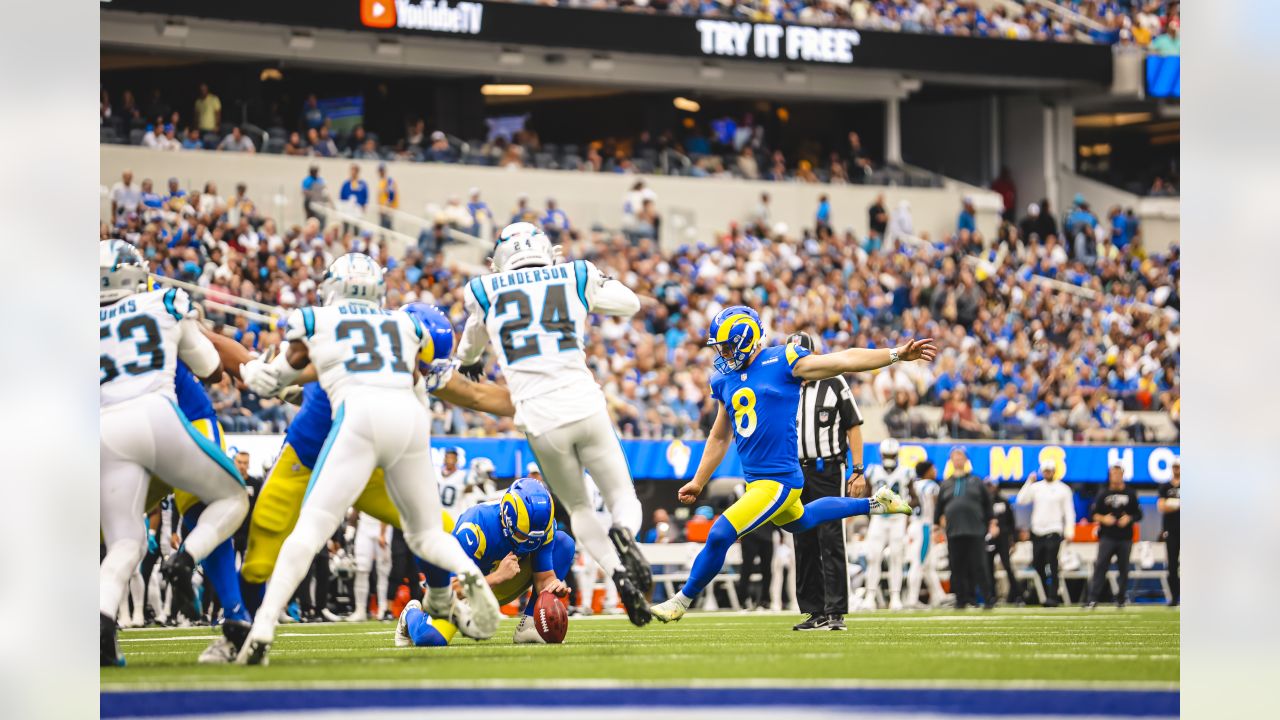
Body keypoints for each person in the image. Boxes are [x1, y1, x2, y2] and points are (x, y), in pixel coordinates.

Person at [234, 257, 504, 664]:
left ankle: (263, 626)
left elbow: (276, 377)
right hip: (403, 424)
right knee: (428, 534)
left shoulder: (317, 319)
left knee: (310, 531)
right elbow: (428, 375)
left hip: (356, 425)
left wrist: (258, 372)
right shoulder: (405, 326)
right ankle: (465, 575)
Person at [649, 306, 932, 623]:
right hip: (758, 480)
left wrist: (894, 355)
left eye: (728, 346)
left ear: (748, 339)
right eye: (720, 347)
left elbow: (842, 360)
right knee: (804, 519)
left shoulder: (782, 360)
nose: (724, 353)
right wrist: (698, 481)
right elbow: (718, 436)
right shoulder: (723, 378)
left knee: (719, 535)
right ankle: (876, 503)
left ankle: (681, 600)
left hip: (780, 479)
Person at [455, 222, 655, 627]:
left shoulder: (485, 289)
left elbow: (470, 349)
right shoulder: (574, 272)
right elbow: (630, 304)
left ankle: (617, 573)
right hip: (584, 403)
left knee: (579, 508)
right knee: (621, 498)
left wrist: (471, 360)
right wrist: (596, 283)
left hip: (540, 420)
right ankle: (626, 534)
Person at [99, 240, 249, 666]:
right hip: (165, 419)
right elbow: (213, 363)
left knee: (124, 540)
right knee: (224, 501)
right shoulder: (163, 302)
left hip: (112, 430)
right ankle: (194, 571)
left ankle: (101, 623)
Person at [398, 479, 576, 647]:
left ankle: (531, 625)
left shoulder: (541, 527)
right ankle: (411, 614)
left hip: (503, 584)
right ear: (507, 518)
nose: (529, 544)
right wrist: (497, 576)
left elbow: (544, 577)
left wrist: (552, 586)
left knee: (564, 543)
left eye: (536, 538)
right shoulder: (475, 528)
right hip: (467, 594)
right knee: (430, 638)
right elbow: (448, 590)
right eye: (523, 535)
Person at [789, 331, 864, 631]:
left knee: (830, 537)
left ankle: (835, 610)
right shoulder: (785, 386)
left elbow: (853, 426)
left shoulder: (834, 381)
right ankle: (813, 609)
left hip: (827, 468)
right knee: (802, 539)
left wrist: (858, 469)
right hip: (795, 471)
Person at [935, 447, 997, 609]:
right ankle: (961, 599)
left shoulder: (976, 481)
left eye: (960, 456)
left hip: (975, 530)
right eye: (954, 457)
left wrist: (992, 523)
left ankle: (987, 598)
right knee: (956, 567)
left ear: (966, 460)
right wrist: (937, 526)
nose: (957, 460)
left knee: (980, 566)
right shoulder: (946, 483)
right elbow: (939, 509)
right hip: (954, 531)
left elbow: (987, 504)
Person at [1016, 460, 1075, 607]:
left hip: (1053, 531)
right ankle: (1041, 594)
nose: (1047, 473)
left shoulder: (1063, 489)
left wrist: (1069, 530)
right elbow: (1021, 500)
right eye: (1045, 471)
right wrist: (1029, 482)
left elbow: (1069, 511)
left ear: (1054, 471)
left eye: (1050, 470)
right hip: (1037, 532)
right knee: (1038, 564)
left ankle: (1053, 596)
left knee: (1052, 565)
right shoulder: (1036, 487)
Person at [863, 439, 913, 610]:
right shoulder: (873, 471)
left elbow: (913, 497)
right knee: (873, 557)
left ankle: (895, 597)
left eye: (891, 455)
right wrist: (870, 516)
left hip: (898, 519)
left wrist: (907, 515)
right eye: (887, 455)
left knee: (896, 557)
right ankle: (870, 596)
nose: (889, 458)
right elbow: (865, 494)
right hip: (878, 518)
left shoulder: (906, 472)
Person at [1086, 464, 1143, 608]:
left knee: (1124, 568)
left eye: (1118, 473)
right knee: (1100, 566)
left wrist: (1129, 518)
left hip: (1125, 537)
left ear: (1123, 474)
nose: (1116, 476)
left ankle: (1121, 598)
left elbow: (1139, 514)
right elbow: (1093, 514)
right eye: (1113, 474)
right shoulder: (1103, 493)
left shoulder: (1130, 493)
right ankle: (1093, 598)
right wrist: (1104, 519)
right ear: (1110, 476)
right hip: (1107, 536)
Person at [904, 460, 945, 608]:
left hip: (913, 526)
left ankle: (939, 597)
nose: (935, 471)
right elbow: (936, 508)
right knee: (918, 563)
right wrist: (938, 527)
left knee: (928, 564)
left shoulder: (913, 485)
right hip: (924, 526)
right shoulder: (932, 486)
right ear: (927, 471)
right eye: (932, 468)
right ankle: (912, 599)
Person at [350, 512, 392, 622]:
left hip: (383, 522)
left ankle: (383, 608)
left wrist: (383, 533)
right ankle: (360, 609)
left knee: (383, 571)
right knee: (361, 569)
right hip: (364, 524)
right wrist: (351, 526)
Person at [986, 478, 1022, 605]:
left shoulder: (1004, 501)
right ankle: (991, 596)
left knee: (1007, 566)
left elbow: (1011, 522)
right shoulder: (984, 502)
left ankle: (1017, 596)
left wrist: (1013, 540)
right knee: (989, 568)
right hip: (989, 539)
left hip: (1003, 539)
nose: (990, 488)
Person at [1158, 458, 1180, 605]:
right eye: (1174, 467)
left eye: (1178, 467)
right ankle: (1174, 597)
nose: (1176, 469)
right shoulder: (1165, 486)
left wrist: (1171, 503)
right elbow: (1161, 506)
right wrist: (1177, 504)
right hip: (1171, 530)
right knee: (1172, 565)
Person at [436, 447, 470, 516]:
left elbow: (469, 495)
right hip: (438, 514)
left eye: (452, 458)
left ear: (456, 460)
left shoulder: (463, 475)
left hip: (453, 514)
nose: (450, 461)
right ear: (444, 459)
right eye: (448, 458)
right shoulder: (436, 472)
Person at [376, 164, 398, 229]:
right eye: (380, 171)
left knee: (387, 227)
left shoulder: (388, 181)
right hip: (383, 208)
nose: (380, 172)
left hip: (387, 209)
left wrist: (387, 205)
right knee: (383, 227)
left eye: (382, 171)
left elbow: (391, 193)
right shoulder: (381, 181)